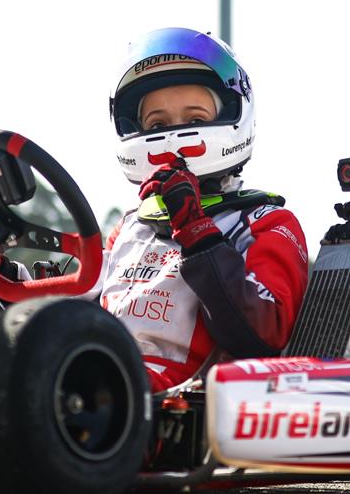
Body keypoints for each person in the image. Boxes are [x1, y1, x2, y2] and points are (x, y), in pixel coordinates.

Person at [98, 28, 310, 392]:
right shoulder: (132, 226)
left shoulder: (265, 222)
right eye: (158, 124)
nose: (172, 135)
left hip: (176, 410)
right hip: (98, 373)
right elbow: (83, 300)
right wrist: (11, 282)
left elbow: (262, 335)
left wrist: (197, 232)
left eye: (194, 121)